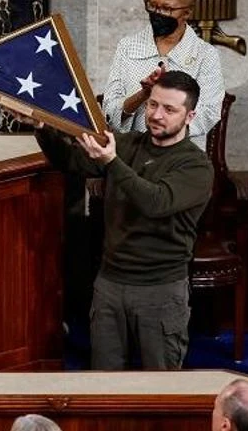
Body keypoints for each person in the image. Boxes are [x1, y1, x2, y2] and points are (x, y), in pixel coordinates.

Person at [21, 71, 213, 370]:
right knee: (104, 383)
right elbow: (72, 162)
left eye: (169, 109)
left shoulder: (196, 165)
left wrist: (111, 162)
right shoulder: (128, 144)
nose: (157, 115)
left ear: (190, 116)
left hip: (160, 290)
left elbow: (155, 202)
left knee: (160, 387)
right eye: (152, 105)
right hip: (110, 283)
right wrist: (43, 129)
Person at [102, 0, 224, 151]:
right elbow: (110, 112)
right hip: (131, 156)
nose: (158, 13)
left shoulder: (205, 55)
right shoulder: (127, 47)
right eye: (153, 6)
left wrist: (163, 135)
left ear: (188, 12)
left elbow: (209, 113)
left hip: (181, 159)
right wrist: (142, 94)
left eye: (167, 8)